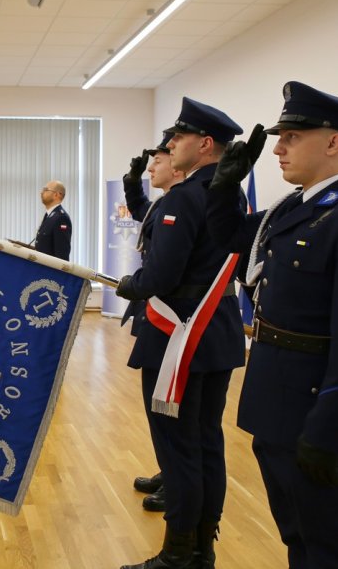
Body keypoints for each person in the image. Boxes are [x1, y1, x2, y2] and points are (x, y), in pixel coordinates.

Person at [206, 81, 338, 569]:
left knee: (331, 545)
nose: (278, 147)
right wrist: (224, 187)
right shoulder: (291, 210)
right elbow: (231, 243)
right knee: (299, 535)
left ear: (334, 142)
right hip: (276, 402)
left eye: (292, 136)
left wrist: (329, 427)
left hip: (321, 412)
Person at [115, 98, 247, 569]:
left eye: (177, 139)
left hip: (179, 338)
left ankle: (177, 555)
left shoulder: (186, 197)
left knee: (178, 450)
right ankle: (202, 549)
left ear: (204, 144)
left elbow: (162, 275)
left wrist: (131, 285)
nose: (169, 146)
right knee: (207, 444)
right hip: (218, 333)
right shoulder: (230, 194)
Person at [121, 132, 187, 514]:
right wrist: (131, 184)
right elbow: (141, 212)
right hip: (156, 313)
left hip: (172, 318)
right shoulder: (165, 204)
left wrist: (138, 286)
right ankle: (169, 469)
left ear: (175, 167)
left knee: (168, 407)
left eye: (157, 161)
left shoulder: (184, 203)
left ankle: (176, 478)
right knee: (157, 406)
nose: (150, 168)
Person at [33, 180, 72, 260]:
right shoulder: (50, 215)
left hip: (49, 271)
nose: (41, 193)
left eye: (45, 190)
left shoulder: (61, 218)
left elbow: (62, 255)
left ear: (56, 195)